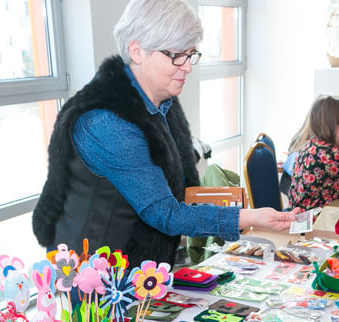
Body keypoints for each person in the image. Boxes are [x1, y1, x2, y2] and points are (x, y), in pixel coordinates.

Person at [32, 0, 296, 265]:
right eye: (176, 55)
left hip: (145, 265)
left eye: (191, 53)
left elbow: (177, 190)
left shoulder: (161, 102)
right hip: (98, 273)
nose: (188, 66)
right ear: (137, 51)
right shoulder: (107, 123)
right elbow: (164, 213)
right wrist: (249, 217)